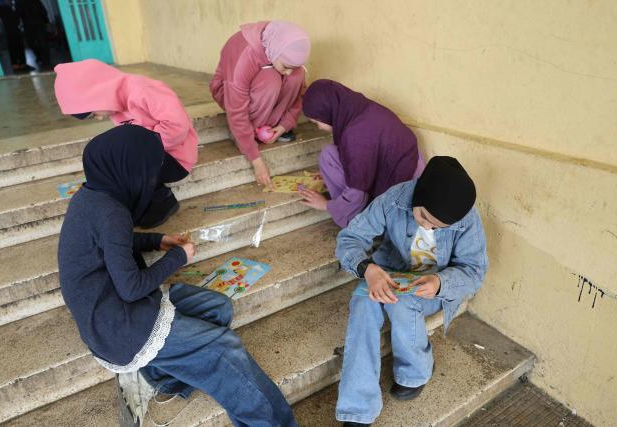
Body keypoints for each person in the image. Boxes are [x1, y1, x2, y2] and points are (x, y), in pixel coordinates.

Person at [57, 124, 298, 427]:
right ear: (130, 169)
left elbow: (112, 244)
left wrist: (157, 241)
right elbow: (131, 288)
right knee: (224, 347)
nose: (153, 180)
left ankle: (165, 377)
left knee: (218, 308)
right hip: (120, 327)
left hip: (115, 308)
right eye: (150, 171)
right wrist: (178, 257)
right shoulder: (111, 212)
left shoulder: (92, 196)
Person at [334, 156, 488, 426]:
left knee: (403, 303)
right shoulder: (393, 199)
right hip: (387, 274)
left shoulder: (467, 219)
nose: (427, 228)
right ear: (418, 197)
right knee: (363, 305)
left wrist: (440, 283)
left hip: (433, 288)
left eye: (438, 227)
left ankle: (415, 372)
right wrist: (367, 269)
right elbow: (350, 238)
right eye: (423, 218)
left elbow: (474, 271)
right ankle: (358, 409)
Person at [54, 59, 198, 228]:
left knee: (124, 161)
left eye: (94, 114)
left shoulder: (143, 90)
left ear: (98, 92)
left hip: (176, 158)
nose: (99, 118)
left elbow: (177, 126)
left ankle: (162, 200)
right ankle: (131, 203)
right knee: (106, 155)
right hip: (149, 156)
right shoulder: (114, 105)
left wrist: (141, 147)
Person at [298, 79, 425, 228]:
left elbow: (357, 192)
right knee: (330, 154)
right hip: (406, 169)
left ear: (327, 111)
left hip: (402, 190)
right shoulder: (358, 107)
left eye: (316, 122)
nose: (318, 127)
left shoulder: (355, 134)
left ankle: (355, 221)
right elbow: (361, 157)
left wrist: (326, 205)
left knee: (329, 157)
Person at [210, 20, 310, 187]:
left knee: (297, 76)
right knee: (270, 79)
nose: (289, 71)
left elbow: (299, 93)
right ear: (275, 51)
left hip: (263, 94)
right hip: (230, 94)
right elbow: (236, 109)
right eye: (286, 66)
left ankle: (270, 126)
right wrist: (256, 160)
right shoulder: (246, 54)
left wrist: (285, 125)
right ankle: (250, 132)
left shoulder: (280, 46)